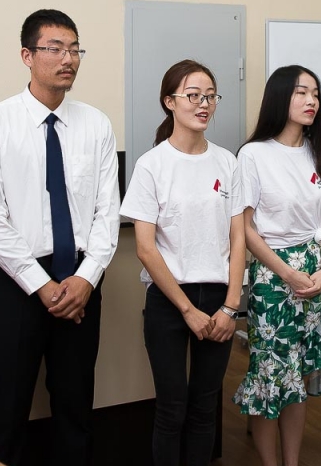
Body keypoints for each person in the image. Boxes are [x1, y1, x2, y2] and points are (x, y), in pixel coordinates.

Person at [0, 9, 120, 465]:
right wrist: (41, 284)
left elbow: (107, 212)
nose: (68, 58)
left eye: (75, 49)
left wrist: (86, 278)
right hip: (16, 285)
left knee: (75, 407)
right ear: (27, 56)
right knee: (4, 409)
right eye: (55, 48)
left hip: (80, 282)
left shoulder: (97, 125)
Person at [120, 60, 246, 466]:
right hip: (170, 303)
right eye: (193, 95)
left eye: (210, 95)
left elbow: (237, 238)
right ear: (169, 102)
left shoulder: (227, 162)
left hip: (219, 300)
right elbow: (145, 248)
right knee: (172, 408)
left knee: (205, 406)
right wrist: (188, 310)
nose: (204, 103)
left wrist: (230, 307)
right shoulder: (151, 165)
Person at [233, 65, 321, 466]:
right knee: (271, 378)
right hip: (273, 277)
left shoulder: (320, 150)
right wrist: (286, 273)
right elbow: (245, 228)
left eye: (315, 93)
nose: (311, 101)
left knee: (298, 379)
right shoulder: (253, 154)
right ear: (281, 97)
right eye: (301, 93)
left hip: (316, 272)